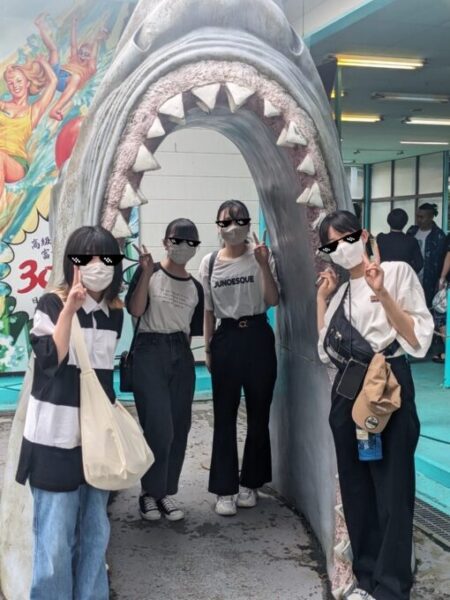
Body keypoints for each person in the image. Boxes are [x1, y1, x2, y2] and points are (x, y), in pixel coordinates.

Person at [316, 210, 433, 600]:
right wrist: (321, 299)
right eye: (332, 245)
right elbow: (324, 351)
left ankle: (392, 586)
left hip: (388, 387)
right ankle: (366, 578)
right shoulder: (340, 295)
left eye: (347, 238)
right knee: (357, 488)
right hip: (349, 394)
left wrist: (381, 292)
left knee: (393, 489)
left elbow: (418, 340)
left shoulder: (396, 273)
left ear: (364, 235)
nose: (342, 249)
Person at [15, 225, 124, 600]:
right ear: (71, 262)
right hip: (54, 441)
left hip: (96, 444)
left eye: (106, 258)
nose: (97, 265)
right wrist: (70, 310)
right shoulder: (50, 304)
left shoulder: (113, 313)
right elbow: (50, 361)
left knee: (95, 535)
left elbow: (103, 380)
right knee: (55, 543)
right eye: (87, 258)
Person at [198, 200, 280, 516]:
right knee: (224, 415)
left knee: (259, 413)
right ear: (218, 227)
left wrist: (263, 264)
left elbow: (273, 300)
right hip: (226, 337)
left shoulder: (261, 256)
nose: (233, 228)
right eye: (225, 223)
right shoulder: (209, 263)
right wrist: (208, 349)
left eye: (239, 221)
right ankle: (225, 489)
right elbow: (208, 311)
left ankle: (251, 483)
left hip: (258, 335)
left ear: (248, 224)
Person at [126, 218, 204, 522]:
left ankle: (164, 492)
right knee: (159, 427)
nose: (183, 246)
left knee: (180, 427)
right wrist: (145, 272)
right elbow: (135, 310)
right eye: (177, 240)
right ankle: (148, 492)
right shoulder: (150, 272)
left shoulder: (196, 287)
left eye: (190, 242)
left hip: (180, 354)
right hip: (150, 350)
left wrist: (183, 357)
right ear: (165, 242)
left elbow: (190, 331)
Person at [0, 58, 57, 208]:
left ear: (27, 83)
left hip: (16, 163)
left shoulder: (34, 111)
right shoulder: (2, 105)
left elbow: (53, 82)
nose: (15, 86)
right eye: (11, 83)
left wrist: (42, 61)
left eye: (19, 81)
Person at [35, 13, 108, 121]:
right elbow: (73, 44)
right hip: (56, 73)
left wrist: (97, 41)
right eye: (81, 52)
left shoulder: (89, 69)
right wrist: (73, 25)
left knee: (76, 77)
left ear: (90, 58)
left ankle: (55, 109)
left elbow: (93, 57)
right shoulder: (75, 58)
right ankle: (39, 26)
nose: (82, 56)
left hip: (64, 82)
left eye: (86, 55)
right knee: (54, 50)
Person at [407, 203, 447, 307]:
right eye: (417, 216)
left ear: (431, 217)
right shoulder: (412, 231)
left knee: (427, 306)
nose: (418, 220)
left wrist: (441, 279)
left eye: (422, 217)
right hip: (412, 274)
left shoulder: (439, 235)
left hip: (430, 279)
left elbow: (443, 259)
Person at [377, 208, 423, 273]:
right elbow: (419, 264)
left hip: (385, 275)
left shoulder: (380, 238)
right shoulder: (412, 241)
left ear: (388, 221)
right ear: (405, 222)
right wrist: (408, 273)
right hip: (404, 276)